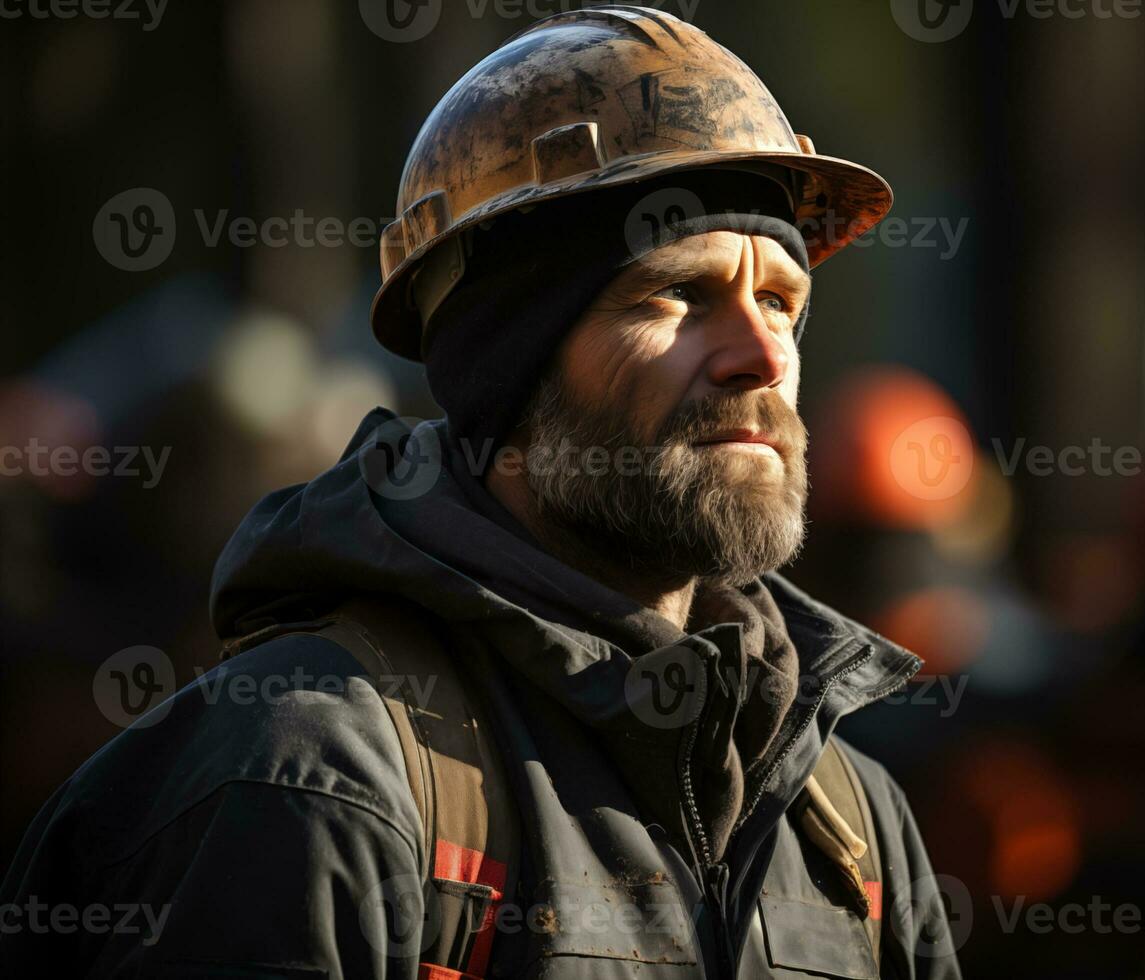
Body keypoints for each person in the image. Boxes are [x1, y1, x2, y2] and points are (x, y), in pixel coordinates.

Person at [0, 7, 960, 977]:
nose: (762, 356)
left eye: (782, 302)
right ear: (514, 367)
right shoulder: (311, 777)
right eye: (679, 295)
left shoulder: (851, 823)